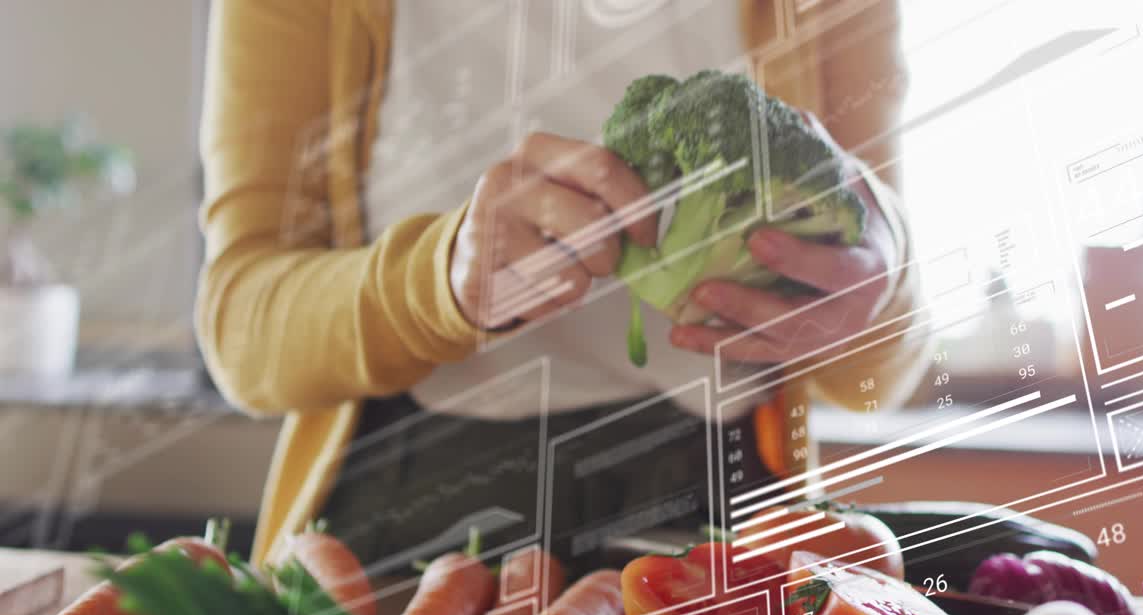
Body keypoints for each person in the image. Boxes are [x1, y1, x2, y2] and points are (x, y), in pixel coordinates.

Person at [198, 0, 928, 571]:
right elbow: (240, 329)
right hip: (410, 506)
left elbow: (878, 378)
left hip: (728, 503)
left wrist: (882, 279)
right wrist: (441, 278)